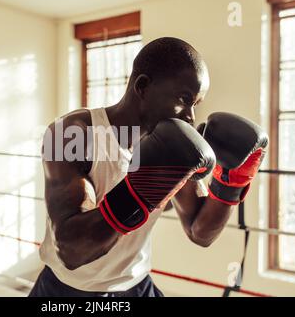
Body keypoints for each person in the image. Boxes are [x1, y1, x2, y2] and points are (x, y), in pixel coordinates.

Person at [29, 37, 267, 297]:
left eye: (195, 104)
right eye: (183, 99)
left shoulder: (173, 143)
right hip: (69, 291)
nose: (190, 117)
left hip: (136, 285)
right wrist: (139, 190)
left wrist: (232, 182)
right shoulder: (70, 133)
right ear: (143, 86)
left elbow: (200, 232)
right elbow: (71, 250)